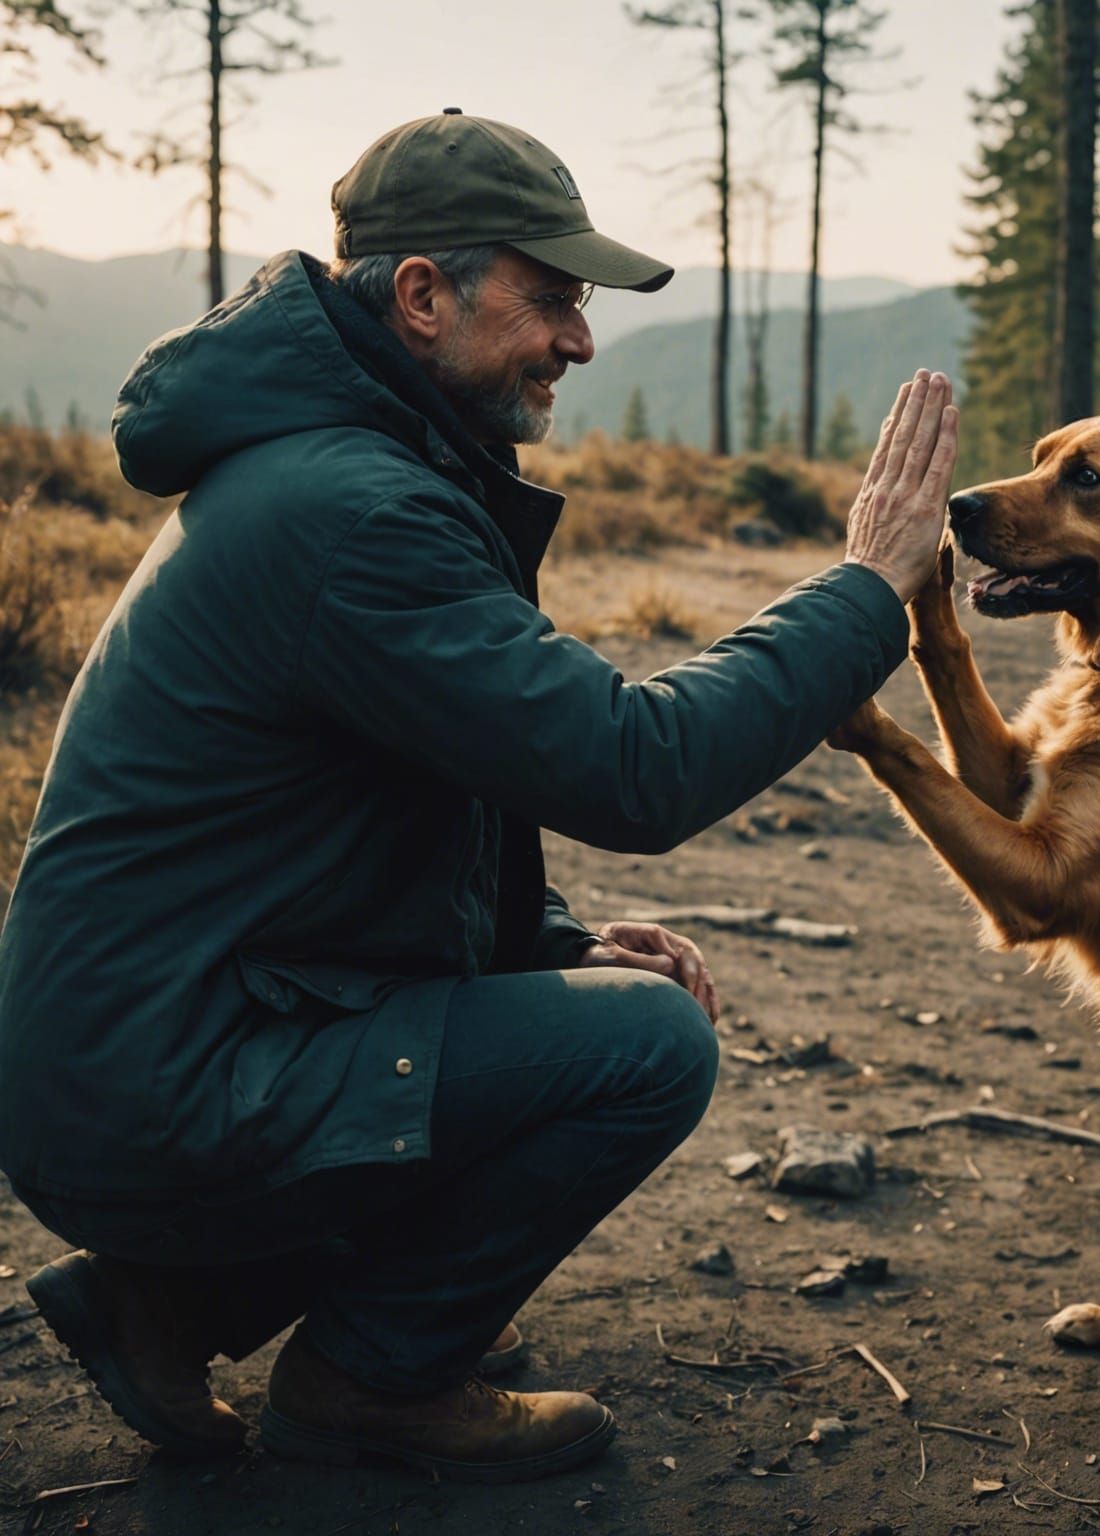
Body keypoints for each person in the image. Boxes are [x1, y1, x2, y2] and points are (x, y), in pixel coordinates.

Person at [0, 112, 958, 1483]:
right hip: (157, 1083)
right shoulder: (355, 509)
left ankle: (169, 1306)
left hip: (161, 1049)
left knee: (594, 1012)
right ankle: (366, 1384)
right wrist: (868, 588)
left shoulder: (365, 465)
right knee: (645, 1051)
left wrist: (551, 943)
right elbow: (639, 766)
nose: (578, 340)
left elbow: (415, 800)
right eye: (553, 296)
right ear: (423, 295)